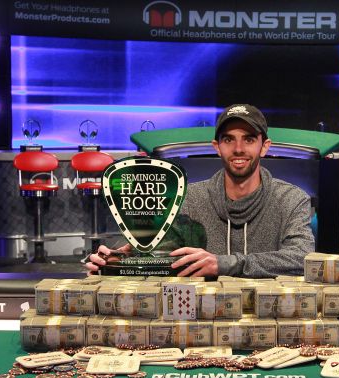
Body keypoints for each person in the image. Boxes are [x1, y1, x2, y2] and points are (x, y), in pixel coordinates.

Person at [86, 104, 315, 278]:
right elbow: (160, 252)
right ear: (217, 147)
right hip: (202, 318)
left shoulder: (292, 199)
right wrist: (120, 258)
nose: (238, 149)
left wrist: (224, 264)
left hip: (268, 318)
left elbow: (303, 258)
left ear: (264, 146)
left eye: (248, 139)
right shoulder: (189, 198)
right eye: (228, 140)